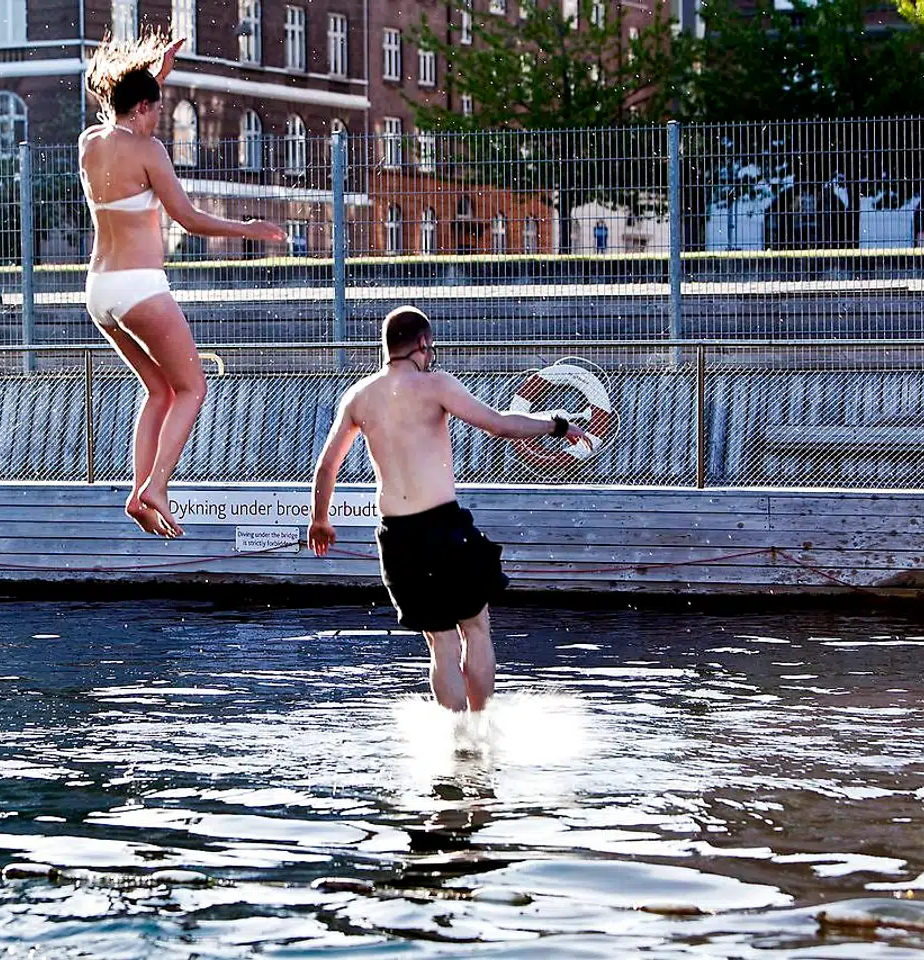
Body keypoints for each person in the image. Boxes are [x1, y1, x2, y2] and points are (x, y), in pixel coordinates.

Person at [307, 306, 584, 713]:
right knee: (475, 626)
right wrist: (557, 425)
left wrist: (320, 519)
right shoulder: (435, 385)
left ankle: (453, 738)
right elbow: (499, 424)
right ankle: (480, 729)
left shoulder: (359, 397)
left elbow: (327, 465)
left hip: (396, 536)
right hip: (442, 526)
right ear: (423, 343)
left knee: (441, 641)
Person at [80, 32, 286, 538]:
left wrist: (157, 68)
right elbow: (190, 220)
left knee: (158, 390)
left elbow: (125, 107)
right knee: (192, 388)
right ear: (145, 108)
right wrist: (249, 229)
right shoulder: (148, 150)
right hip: (140, 287)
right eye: (158, 107)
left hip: (99, 292)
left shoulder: (91, 143)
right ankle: (157, 487)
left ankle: (137, 492)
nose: (160, 118)